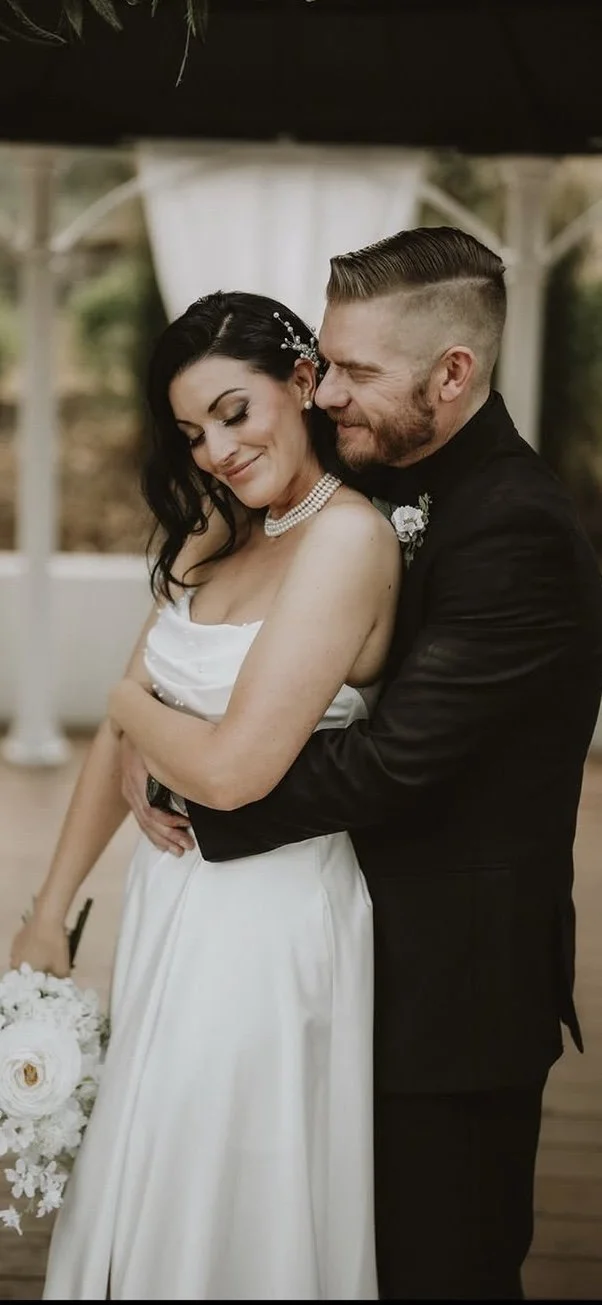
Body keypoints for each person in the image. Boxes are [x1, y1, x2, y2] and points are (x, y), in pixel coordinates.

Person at [121, 227, 602, 1301]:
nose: (325, 390)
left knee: (441, 1272)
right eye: (325, 362)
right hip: (334, 968)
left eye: (356, 372)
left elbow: (388, 764)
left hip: (450, 1004)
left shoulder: (517, 528)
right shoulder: (377, 473)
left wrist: (199, 792)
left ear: (453, 373)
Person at [10, 290, 401, 1301]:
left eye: (235, 412)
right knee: (149, 1163)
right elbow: (121, 741)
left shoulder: (347, 542)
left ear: (303, 385)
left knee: (223, 1186)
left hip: (266, 926)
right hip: (169, 901)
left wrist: (127, 706)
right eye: (193, 433)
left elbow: (233, 769)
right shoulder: (212, 536)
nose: (218, 450)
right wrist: (51, 915)